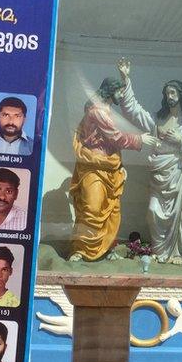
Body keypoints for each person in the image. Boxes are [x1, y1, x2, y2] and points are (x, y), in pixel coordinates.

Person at [117, 59, 182, 265]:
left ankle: (179, 253)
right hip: (161, 175)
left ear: (181, 95)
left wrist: (181, 141)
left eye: (173, 93)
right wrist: (126, 78)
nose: (169, 97)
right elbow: (133, 111)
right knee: (153, 211)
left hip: (181, 174)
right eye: (167, 93)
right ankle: (160, 252)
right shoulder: (157, 119)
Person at [68, 76, 151, 262]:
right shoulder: (97, 111)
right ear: (110, 90)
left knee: (111, 208)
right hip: (94, 165)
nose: (121, 95)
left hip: (110, 165)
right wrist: (140, 139)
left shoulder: (106, 110)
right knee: (93, 207)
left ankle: (106, 248)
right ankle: (81, 250)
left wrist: (119, 165)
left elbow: (111, 142)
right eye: (119, 91)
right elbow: (115, 138)